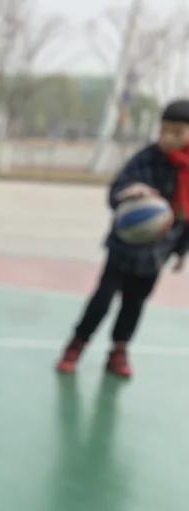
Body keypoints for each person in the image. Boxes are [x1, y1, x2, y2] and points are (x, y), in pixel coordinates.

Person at [56, 99, 189, 379]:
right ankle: (76, 344)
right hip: (124, 248)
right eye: (164, 130)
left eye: (177, 132)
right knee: (102, 301)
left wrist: (181, 251)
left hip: (157, 253)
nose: (168, 137)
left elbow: (185, 217)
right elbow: (117, 190)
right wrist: (131, 192)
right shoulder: (146, 158)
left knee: (134, 304)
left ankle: (118, 351)